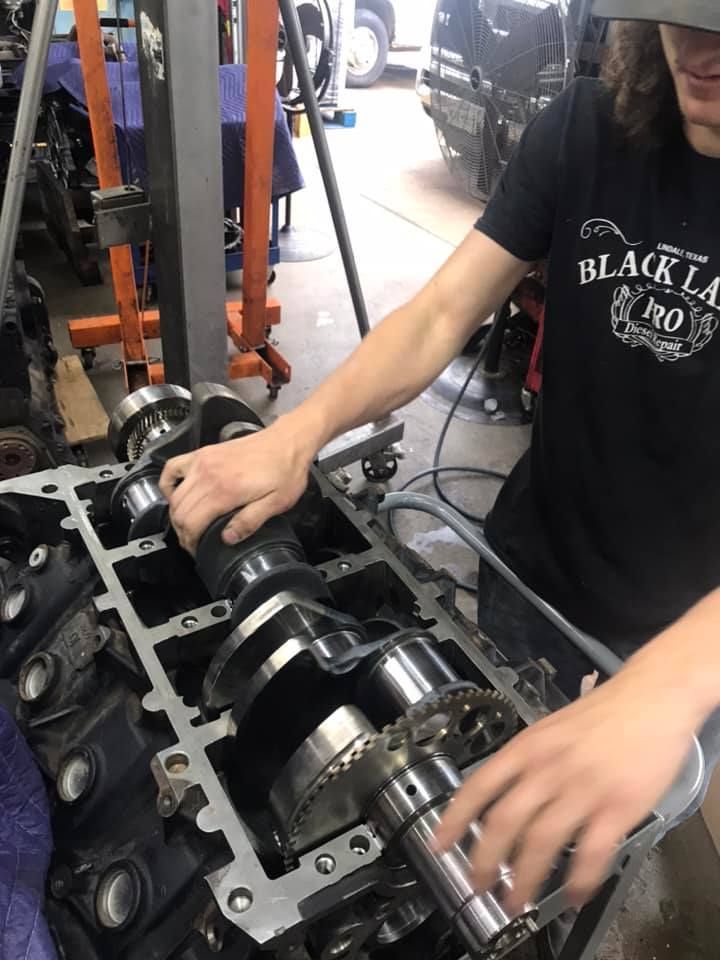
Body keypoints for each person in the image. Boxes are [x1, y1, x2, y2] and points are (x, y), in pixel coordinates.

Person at [159, 0, 720, 922]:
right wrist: (298, 434)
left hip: (689, 639)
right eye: (672, 14)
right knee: (472, 850)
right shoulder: (586, 129)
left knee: (582, 864)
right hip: (529, 572)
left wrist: (667, 684)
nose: (695, 48)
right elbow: (438, 315)